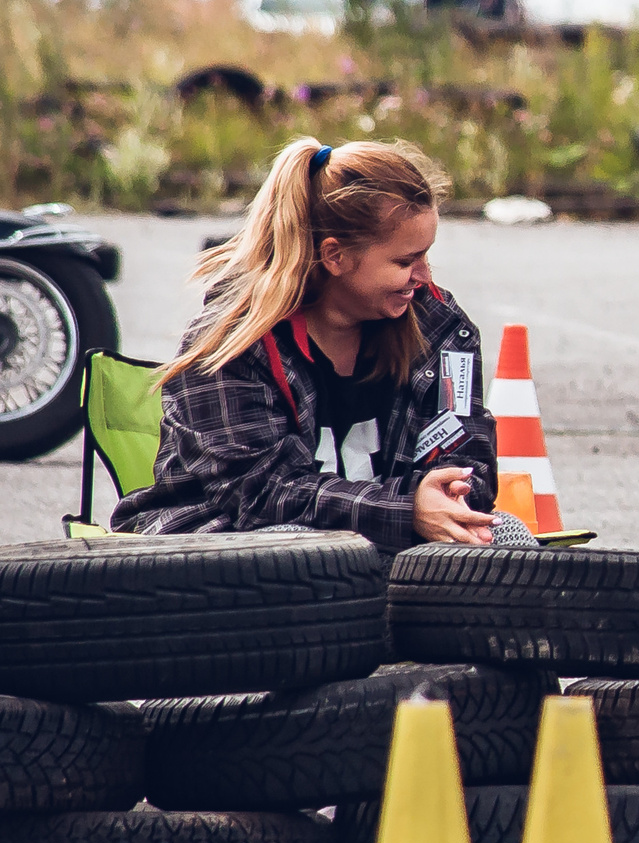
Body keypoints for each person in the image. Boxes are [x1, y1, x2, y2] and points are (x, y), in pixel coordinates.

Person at [115, 137, 507, 550]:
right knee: (295, 549)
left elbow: (465, 447)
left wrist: (451, 498)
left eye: (425, 256)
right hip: (229, 545)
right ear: (335, 256)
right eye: (404, 261)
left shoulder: (440, 326)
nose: (424, 277)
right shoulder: (229, 345)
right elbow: (261, 495)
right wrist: (406, 510)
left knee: (505, 532)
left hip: (386, 536)